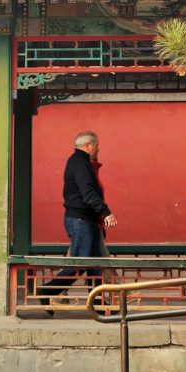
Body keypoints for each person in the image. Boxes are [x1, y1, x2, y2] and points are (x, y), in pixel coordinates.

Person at [38, 131, 117, 309]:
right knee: (79, 262)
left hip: (86, 220)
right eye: (96, 145)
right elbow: (88, 192)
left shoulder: (77, 162)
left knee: (96, 264)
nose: (98, 148)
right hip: (81, 220)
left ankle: (98, 302)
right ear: (88, 146)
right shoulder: (80, 163)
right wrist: (106, 212)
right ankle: (47, 291)